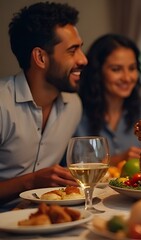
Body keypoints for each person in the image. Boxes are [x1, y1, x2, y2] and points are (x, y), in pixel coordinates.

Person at [0, 2, 87, 209]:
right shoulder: (2, 105)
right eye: (72, 50)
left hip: (48, 217)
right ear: (40, 57)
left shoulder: (73, 105)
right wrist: (30, 181)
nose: (83, 60)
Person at [75, 34, 141, 166]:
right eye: (116, 69)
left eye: (132, 68)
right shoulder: (76, 111)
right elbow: (68, 166)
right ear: (97, 72)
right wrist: (118, 160)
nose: (127, 78)